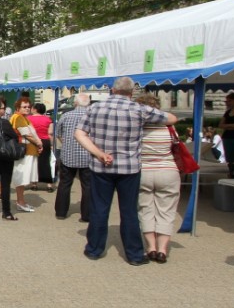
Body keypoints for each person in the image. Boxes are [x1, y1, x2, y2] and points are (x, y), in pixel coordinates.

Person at [74, 76, 177, 265]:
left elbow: (79, 134)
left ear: (112, 90)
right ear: (131, 92)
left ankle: (94, 249)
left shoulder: (95, 108)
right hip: (129, 168)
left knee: (99, 209)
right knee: (129, 211)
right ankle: (134, 255)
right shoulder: (139, 109)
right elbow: (172, 118)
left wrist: (99, 153)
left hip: (101, 166)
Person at [136, 93, 181, 263]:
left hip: (144, 171)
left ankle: (150, 247)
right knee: (167, 211)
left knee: (145, 209)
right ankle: (162, 250)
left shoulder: (138, 128)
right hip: (168, 170)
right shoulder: (168, 127)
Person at [53, 93, 93, 222]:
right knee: (87, 186)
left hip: (68, 155)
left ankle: (61, 212)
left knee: (64, 184)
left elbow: (58, 133)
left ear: (75, 103)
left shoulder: (66, 115)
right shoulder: (92, 117)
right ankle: (86, 214)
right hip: (88, 155)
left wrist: (66, 142)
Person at [9, 98, 43, 212]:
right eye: (24, 106)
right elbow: (26, 134)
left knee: (23, 178)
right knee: (21, 178)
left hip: (27, 151)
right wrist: (39, 143)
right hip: (23, 151)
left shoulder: (23, 118)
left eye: (28, 106)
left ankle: (21, 201)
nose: (27, 108)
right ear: (18, 107)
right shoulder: (18, 117)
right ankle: (20, 202)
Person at [29, 102, 56, 192]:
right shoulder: (48, 119)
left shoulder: (28, 119)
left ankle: (34, 184)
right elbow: (50, 133)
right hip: (45, 141)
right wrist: (51, 144)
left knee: (34, 163)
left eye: (32, 108)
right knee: (45, 162)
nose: (31, 109)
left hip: (33, 141)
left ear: (35, 109)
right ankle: (49, 185)